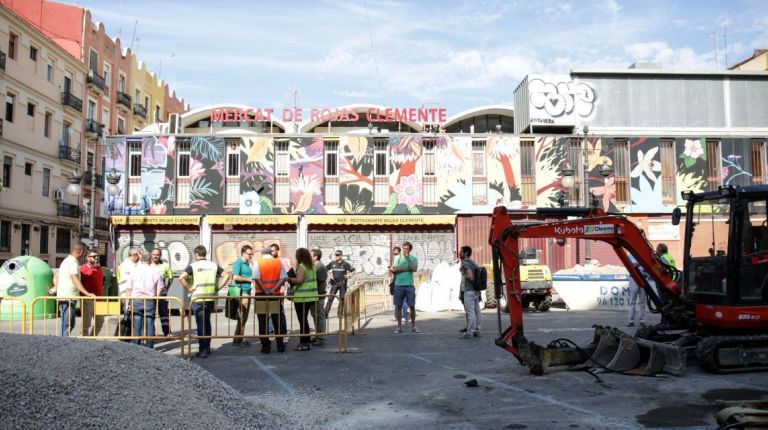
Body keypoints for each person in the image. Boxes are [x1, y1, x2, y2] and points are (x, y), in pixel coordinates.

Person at [180, 245, 230, 358]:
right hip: (211, 298)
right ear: (205, 254)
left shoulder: (193, 266)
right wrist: (219, 288)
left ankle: (202, 349)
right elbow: (226, 275)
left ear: (196, 254)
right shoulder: (213, 265)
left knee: (201, 324)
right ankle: (207, 347)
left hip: (198, 298)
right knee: (207, 322)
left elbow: (181, 278)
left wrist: (189, 288)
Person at [126, 253, 164, 348]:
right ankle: (149, 345)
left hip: (136, 299)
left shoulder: (134, 271)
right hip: (150, 299)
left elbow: (129, 289)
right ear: (150, 260)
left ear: (140, 259)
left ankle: (136, 344)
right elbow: (160, 288)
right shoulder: (155, 271)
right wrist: (157, 299)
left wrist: (128, 303)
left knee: (137, 321)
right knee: (150, 322)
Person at [254, 247, 287, 354]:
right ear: (270, 253)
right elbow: (283, 278)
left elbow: (256, 278)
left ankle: (265, 346)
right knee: (277, 320)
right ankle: (280, 345)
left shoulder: (258, 262)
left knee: (262, 321)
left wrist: (265, 290)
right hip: (274, 295)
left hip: (261, 295)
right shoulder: (278, 262)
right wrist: (273, 289)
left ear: (262, 254)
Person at [56, 243, 93, 336]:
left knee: (67, 324)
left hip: (65, 297)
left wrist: (57, 288)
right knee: (68, 325)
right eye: (85, 252)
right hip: (68, 298)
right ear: (81, 252)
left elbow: (55, 276)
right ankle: (64, 345)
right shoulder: (72, 263)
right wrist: (86, 293)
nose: (85, 255)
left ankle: (64, 342)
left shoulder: (66, 261)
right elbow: (75, 279)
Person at [287, 248, 319, 351]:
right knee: (304, 320)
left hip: (302, 298)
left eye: (296, 254)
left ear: (299, 256)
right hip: (311, 296)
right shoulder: (311, 267)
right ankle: (306, 341)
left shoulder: (301, 266)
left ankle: (304, 343)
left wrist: (289, 278)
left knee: (302, 321)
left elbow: (299, 280)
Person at [391, 241, 419, 334]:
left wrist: (408, 259)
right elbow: (395, 269)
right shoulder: (397, 258)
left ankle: (414, 326)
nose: (405, 250)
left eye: (407, 249)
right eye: (403, 248)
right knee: (398, 306)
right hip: (398, 285)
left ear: (410, 249)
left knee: (412, 306)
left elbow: (414, 269)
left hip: (409, 285)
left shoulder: (413, 258)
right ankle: (399, 327)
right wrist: (407, 269)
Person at [231, 244, 256, 347]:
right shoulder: (239, 262)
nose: (250, 256)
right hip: (242, 292)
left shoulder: (247, 263)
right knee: (242, 316)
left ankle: (238, 338)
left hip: (247, 291)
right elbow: (235, 277)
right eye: (249, 254)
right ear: (243, 253)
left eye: (251, 254)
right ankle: (238, 339)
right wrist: (248, 279)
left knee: (244, 316)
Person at [116, 248, 142, 337]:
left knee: (129, 316)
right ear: (134, 255)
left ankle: (128, 335)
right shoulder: (129, 266)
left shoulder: (124, 264)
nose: (140, 257)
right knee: (130, 316)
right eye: (139, 255)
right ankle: (128, 335)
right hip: (129, 295)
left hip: (126, 294)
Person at [80, 248, 104, 336]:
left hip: (99, 299)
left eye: (97, 256)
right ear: (87, 258)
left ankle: (91, 339)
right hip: (87, 299)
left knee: (100, 321)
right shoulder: (83, 269)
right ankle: (84, 341)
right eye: (94, 256)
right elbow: (78, 283)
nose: (96, 258)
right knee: (86, 323)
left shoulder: (100, 268)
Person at [150, 248, 174, 337]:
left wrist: (166, 288)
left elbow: (171, 278)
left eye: (157, 255)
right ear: (151, 255)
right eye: (154, 254)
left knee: (163, 313)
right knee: (150, 313)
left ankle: (167, 332)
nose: (155, 256)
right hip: (150, 293)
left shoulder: (165, 265)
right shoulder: (148, 265)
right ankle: (151, 332)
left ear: (160, 256)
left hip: (162, 294)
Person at [324, 250, 355, 318]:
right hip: (334, 283)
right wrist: (329, 275)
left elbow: (353, 270)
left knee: (342, 299)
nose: (336, 256)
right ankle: (325, 314)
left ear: (341, 256)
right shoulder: (332, 263)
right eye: (336, 255)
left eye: (338, 255)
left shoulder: (345, 264)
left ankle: (340, 314)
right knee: (330, 298)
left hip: (342, 283)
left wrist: (349, 275)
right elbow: (325, 269)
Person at [458, 246, 481, 339]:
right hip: (475, 290)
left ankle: (470, 332)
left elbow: (470, 277)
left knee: (470, 312)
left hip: (469, 291)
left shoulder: (466, 264)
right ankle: (477, 330)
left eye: (461, 252)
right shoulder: (474, 263)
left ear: (466, 253)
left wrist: (463, 272)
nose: (460, 253)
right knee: (477, 312)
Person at [311, 249, 327, 345]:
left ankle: (320, 337)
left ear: (316, 256)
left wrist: (320, 296)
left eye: (310, 255)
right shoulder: (314, 266)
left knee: (319, 316)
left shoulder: (320, 267)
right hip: (314, 295)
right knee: (315, 315)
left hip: (318, 296)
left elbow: (322, 283)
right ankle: (317, 335)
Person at [626, 254, 647, 327]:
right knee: (632, 301)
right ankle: (631, 320)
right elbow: (629, 266)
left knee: (642, 301)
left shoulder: (642, 255)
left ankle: (642, 320)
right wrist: (640, 263)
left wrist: (638, 264)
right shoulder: (629, 256)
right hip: (633, 278)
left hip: (643, 278)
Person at [389, 246, 409, 321]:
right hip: (397, 283)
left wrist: (393, 269)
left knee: (403, 301)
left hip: (403, 283)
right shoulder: (397, 260)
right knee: (397, 302)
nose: (395, 256)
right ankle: (397, 316)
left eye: (396, 253)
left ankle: (404, 316)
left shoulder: (403, 260)